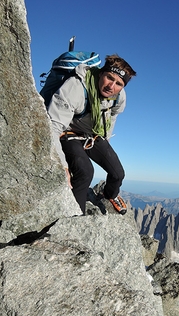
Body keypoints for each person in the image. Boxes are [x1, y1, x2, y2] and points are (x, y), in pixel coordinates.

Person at [47, 54, 136, 214]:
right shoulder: (76, 88)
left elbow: (113, 114)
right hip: (67, 133)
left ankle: (111, 195)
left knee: (117, 173)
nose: (112, 86)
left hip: (93, 134)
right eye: (110, 77)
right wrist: (63, 166)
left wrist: (106, 138)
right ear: (101, 73)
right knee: (85, 172)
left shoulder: (119, 96)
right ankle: (75, 217)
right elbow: (53, 126)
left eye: (119, 83)